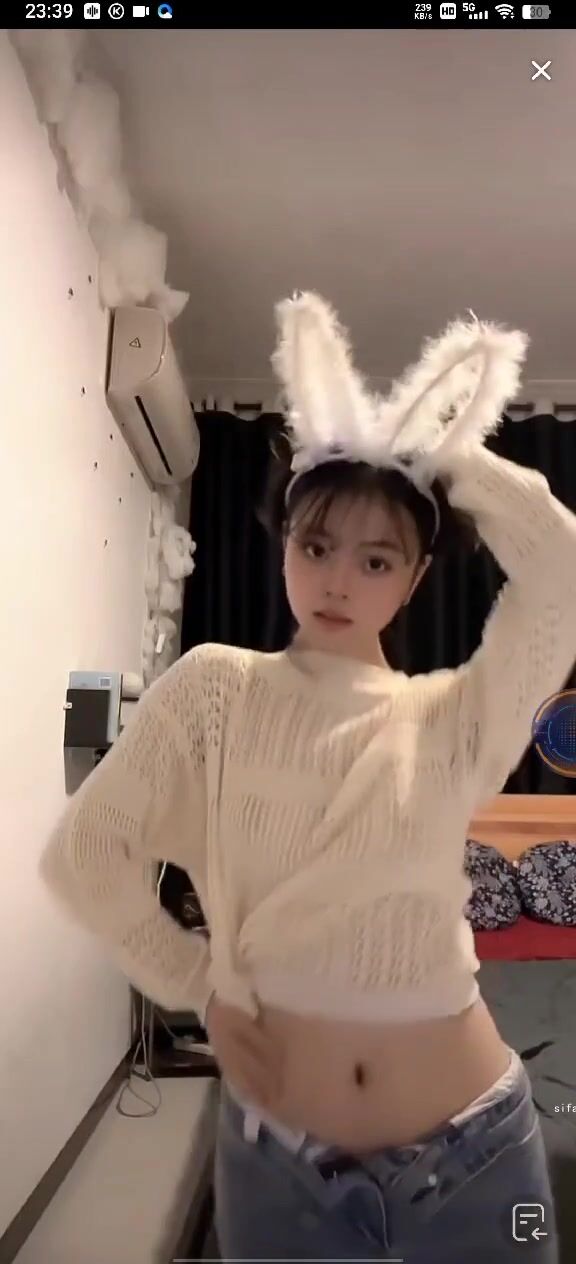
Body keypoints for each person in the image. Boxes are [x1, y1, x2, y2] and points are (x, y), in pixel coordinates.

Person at [40, 293, 576, 1263]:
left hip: (476, 1159)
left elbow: (562, 570)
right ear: (282, 541)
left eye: (377, 559)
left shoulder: (455, 718)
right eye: (316, 545)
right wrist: (197, 985)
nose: (338, 580)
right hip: (281, 1170)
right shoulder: (215, 692)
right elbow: (87, 854)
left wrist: (438, 457)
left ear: (414, 579)